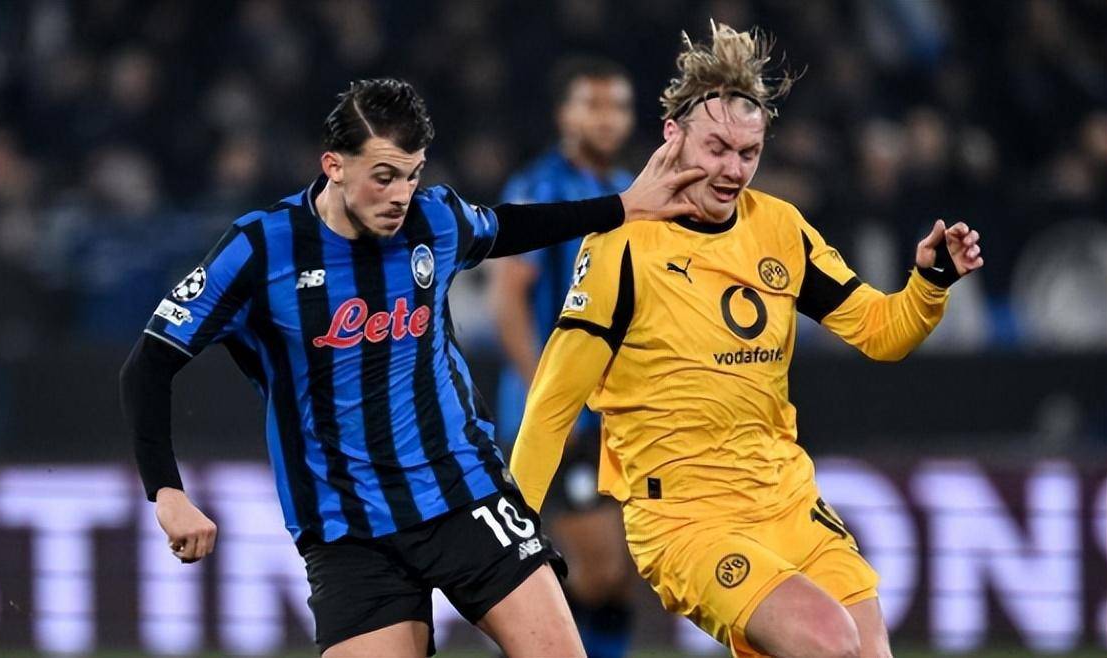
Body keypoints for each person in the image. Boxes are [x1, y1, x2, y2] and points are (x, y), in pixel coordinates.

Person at [118, 77, 704, 658]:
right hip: (347, 530)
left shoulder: (435, 220)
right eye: (384, 176)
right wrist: (166, 491)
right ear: (334, 165)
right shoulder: (261, 248)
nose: (401, 194)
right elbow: (149, 364)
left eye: (412, 174)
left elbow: (512, 226)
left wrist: (623, 207)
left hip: (464, 494)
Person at [509, 22, 984, 658]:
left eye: (748, 152)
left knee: (866, 652)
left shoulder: (780, 228)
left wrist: (930, 282)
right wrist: (512, 535)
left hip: (786, 499)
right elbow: (552, 401)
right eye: (717, 148)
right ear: (673, 135)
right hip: (687, 517)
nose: (733, 170)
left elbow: (880, 333)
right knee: (828, 641)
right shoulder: (622, 248)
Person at [490, 56, 638, 658]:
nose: (606, 118)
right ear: (563, 114)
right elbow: (507, 302)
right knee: (597, 570)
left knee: (614, 579)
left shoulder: (631, 189)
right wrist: (548, 395)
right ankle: (529, 639)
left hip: (613, 413)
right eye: (591, 104)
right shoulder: (537, 189)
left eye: (617, 106)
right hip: (557, 415)